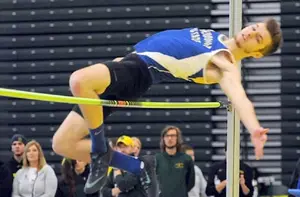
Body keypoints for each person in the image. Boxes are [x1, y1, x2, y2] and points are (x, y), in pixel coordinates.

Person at [52, 18, 282, 194]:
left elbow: (238, 96)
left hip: (139, 72)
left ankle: (100, 150)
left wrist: (254, 128)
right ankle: (138, 166)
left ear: (257, 54)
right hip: (128, 62)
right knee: (62, 144)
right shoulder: (217, 37)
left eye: (258, 38)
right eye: (254, 27)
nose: (251, 32)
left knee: (79, 80)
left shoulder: (225, 63)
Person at [155, 126, 195, 197]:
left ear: (178, 138)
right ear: (163, 138)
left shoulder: (186, 159)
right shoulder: (156, 159)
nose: (170, 138)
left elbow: (190, 182)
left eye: (173, 135)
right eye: (167, 136)